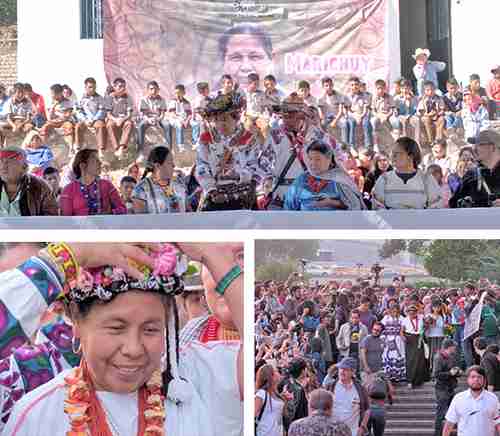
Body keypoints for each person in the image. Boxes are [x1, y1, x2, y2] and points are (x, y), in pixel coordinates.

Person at [0, 242, 243, 436]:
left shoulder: (189, 389)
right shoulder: (37, 415)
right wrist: (71, 254)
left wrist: (213, 256)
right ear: (76, 321)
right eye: (116, 328)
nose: (134, 349)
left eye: (151, 330)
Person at [195, 91, 264, 211]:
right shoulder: (206, 139)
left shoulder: (249, 139)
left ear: (236, 118)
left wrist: (239, 175)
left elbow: (254, 166)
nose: (220, 124)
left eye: (224, 119)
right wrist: (211, 189)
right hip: (214, 196)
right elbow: (201, 166)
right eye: (216, 120)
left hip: (242, 196)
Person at [284, 140, 365, 211]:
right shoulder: (302, 179)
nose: (313, 163)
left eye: (317, 159)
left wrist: (333, 203)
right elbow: (289, 206)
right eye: (310, 158)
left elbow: (355, 207)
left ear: (329, 159)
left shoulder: (340, 179)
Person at [372, 136, 441, 209]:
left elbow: (436, 206)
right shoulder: (384, 179)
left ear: (410, 156)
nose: (393, 156)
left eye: (397, 153)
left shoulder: (426, 179)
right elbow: (377, 207)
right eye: (392, 153)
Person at [59, 149, 126, 216]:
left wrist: (110, 213)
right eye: (95, 160)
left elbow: (123, 209)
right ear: (83, 166)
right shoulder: (69, 190)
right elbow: (66, 219)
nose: (100, 163)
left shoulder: (107, 185)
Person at [0, 146, 58, 216]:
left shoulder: (40, 187)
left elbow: (51, 218)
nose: (3, 166)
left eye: (10, 162)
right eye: (1, 161)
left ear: (24, 167)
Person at [443, 365, 500, 436]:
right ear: (467, 379)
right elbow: (449, 424)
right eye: (473, 377)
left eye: (479, 377)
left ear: (484, 380)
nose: (476, 379)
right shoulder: (458, 399)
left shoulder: (492, 398)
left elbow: (498, 423)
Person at [450, 129, 500, 208]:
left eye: (479, 145)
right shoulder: (471, 175)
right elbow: (453, 203)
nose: (474, 149)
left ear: (492, 147)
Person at [132, 145, 186, 214]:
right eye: (170, 162)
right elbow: (141, 221)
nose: (173, 165)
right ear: (157, 166)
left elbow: (187, 211)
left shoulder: (178, 184)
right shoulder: (141, 190)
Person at [219, 24, 274, 89]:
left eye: (255, 57)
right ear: (223, 62)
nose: (246, 67)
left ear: (272, 59)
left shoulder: (283, 98)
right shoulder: (214, 97)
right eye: (236, 58)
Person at [324, 356, 369, 436]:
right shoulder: (330, 386)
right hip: (333, 432)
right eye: (341, 368)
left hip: (353, 432)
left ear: (353, 372)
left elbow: (367, 410)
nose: (342, 371)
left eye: (346, 369)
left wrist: (362, 428)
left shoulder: (360, 389)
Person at [433, 339, 460, 436]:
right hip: (441, 389)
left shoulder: (451, 356)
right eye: (454, 346)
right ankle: (437, 434)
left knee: (453, 412)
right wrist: (450, 373)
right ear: (449, 347)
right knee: (440, 413)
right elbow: (436, 374)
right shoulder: (438, 357)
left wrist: (457, 372)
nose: (455, 348)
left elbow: (453, 370)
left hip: (450, 388)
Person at [74, 77, 107, 154]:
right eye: (90, 87)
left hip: (96, 119)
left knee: (100, 126)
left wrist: (94, 120)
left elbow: (101, 110)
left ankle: (101, 149)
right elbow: (78, 110)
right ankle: (78, 148)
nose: (92, 89)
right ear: (85, 87)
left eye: (94, 87)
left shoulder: (100, 98)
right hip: (85, 120)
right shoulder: (81, 98)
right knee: (78, 126)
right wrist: (85, 120)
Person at [340, 76, 373, 150]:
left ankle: (368, 146)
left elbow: (365, 109)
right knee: (351, 122)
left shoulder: (364, 95)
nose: (354, 87)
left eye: (356, 84)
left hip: (362, 114)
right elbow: (347, 110)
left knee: (366, 122)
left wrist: (361, 116)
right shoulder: (347, 96)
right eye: (352, 85)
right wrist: (355, 116)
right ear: (349, 86)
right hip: (352, 115)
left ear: (359, 85)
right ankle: (351, 146)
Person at [39, 84, 75, 150]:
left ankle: (71, 148)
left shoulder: (67, 102)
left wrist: (58, 119)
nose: (51, 95)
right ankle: (42, 148)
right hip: (54, 122)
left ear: (59, 93)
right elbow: (49, 117)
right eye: (51, 93)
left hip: (64, 122)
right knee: (44, 128)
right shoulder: (51, 102)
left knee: (69, 127)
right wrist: (53, 106)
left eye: (53, 93)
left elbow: (67, 116)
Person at [105, 77, 134, 157]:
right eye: (120, 86)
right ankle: (116, 148)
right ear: (114, 87)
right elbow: (108, 114)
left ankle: (121, 148)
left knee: (129, 124)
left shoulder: (128, 97)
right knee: (109, 125)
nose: (122, 88)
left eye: (124, 86)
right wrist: (115, 120)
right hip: (113, 118)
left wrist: (122, 120)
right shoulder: (109, 98)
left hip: (124, 118)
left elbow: (129, 114)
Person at [255, 364, 287, 436]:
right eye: (276, 371)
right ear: (270, 376)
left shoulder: (276, 393)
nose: (279, 373)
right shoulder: (261, 394)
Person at [402, 304, 429, 388]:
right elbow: (401, 331)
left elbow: (426, 326)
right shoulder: (405, 320)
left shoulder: (421, 318)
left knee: (420, 359)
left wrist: (426, 326)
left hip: (419, 338)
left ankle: (418, 381)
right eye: (410, 312)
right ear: (407, 313)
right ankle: (410, 380)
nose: (412, 314)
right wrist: (403, 337)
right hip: (410, 338)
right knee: (410, 360)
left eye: (414, 312)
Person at [281, 358, 309, 433]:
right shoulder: (298, 390)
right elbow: (295, 412)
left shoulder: (284, 381)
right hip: (296, 428)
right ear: (303, 371)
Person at [380, 305, 406, 383]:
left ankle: (398, 375)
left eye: (396, 311)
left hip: (398, 340)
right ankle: (389, 375)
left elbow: (404, 329)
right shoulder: (386, 318)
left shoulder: (402, 318)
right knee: (388, 356)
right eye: (393, 311)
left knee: (398, 356)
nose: (395, 312)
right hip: (388, 339)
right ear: (390, 311)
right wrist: (383, 338)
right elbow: (382, 328)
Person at [370, 79, 397, 152]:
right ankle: (375, 143)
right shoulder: (374, 98)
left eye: (382, 88)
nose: (380, 90)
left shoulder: (389, 97)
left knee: (395, 122)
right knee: (373, 121)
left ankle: (396, 141)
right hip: (378, 115)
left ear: (385, 88)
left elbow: (392, 109)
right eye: (378, 88)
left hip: (388, 115)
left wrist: (387, 116)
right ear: (376, 89)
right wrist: (379, 116)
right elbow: (373, 110)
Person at [417, 80, 446, 147]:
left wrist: (438, 113)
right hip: (427, 116)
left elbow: (442, 109)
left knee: (442, 119)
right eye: (428, 90)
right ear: (424, 91)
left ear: (435, 90)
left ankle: (438, 140)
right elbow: (421, 112)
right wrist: (429, 114)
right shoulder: (422, 100)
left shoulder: (439, 98)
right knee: (426, 119)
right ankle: (431, 141)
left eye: (432, 90)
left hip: (436, 116)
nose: (430, 92)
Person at [166, 84, 192, 152]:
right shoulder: (173, 101)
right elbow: (172, 114)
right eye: (176, 93)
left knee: (195, 124)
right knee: (179, 125)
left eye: (179, 93)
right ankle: (180, 145)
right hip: (174, 118)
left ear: (183, 93)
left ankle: (194, 143)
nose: (177, 94)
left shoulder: (186, 102)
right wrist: (181, 120)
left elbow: (189, 114)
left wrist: (186, 121)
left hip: (183, 119)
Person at [359, 321, 384, 387]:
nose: (375, 331)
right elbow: (362, 354)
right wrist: (366, 367)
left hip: (377, 370)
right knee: (367, 388)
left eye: (378, 330)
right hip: (367, 370)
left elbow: (381, 354)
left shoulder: (381, 340)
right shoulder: (367, 339)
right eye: (374, 329)